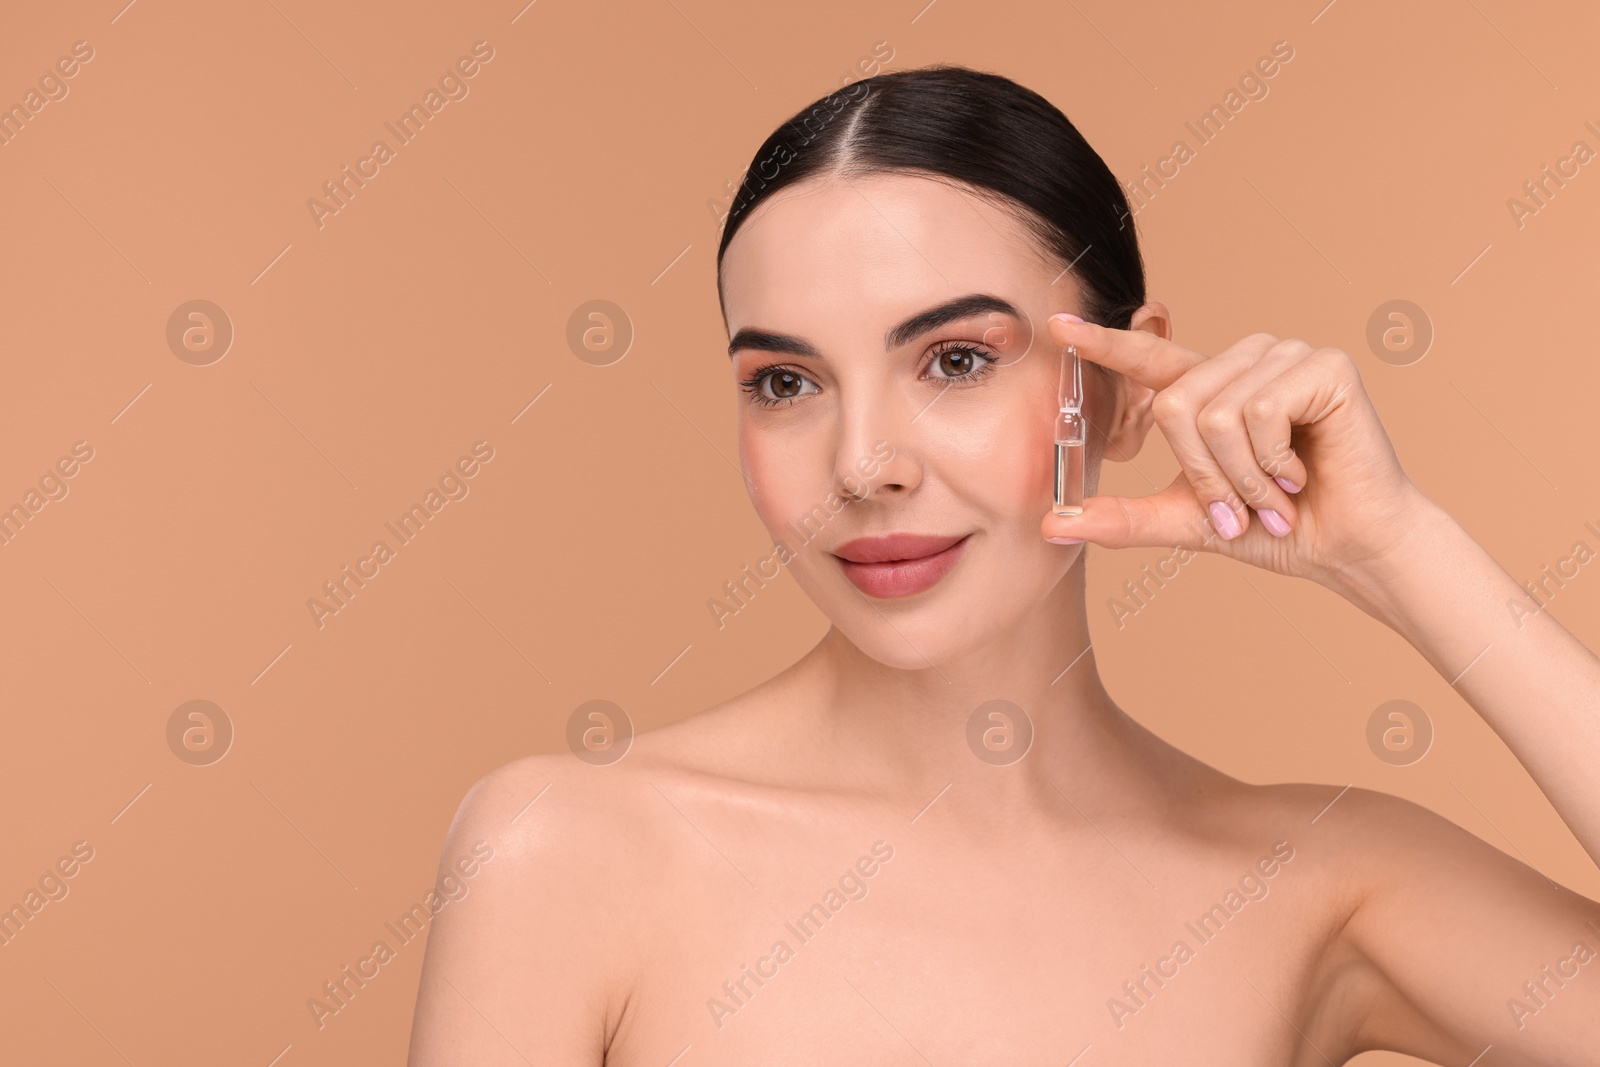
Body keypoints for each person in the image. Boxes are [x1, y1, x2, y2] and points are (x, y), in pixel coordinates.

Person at [407, 65, 1600, 1065]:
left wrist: (1400, 552)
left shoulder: (1316, 882)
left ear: (1122, 390)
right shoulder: (571, 849)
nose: (863, 463)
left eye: (956, 360)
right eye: (784, 383)